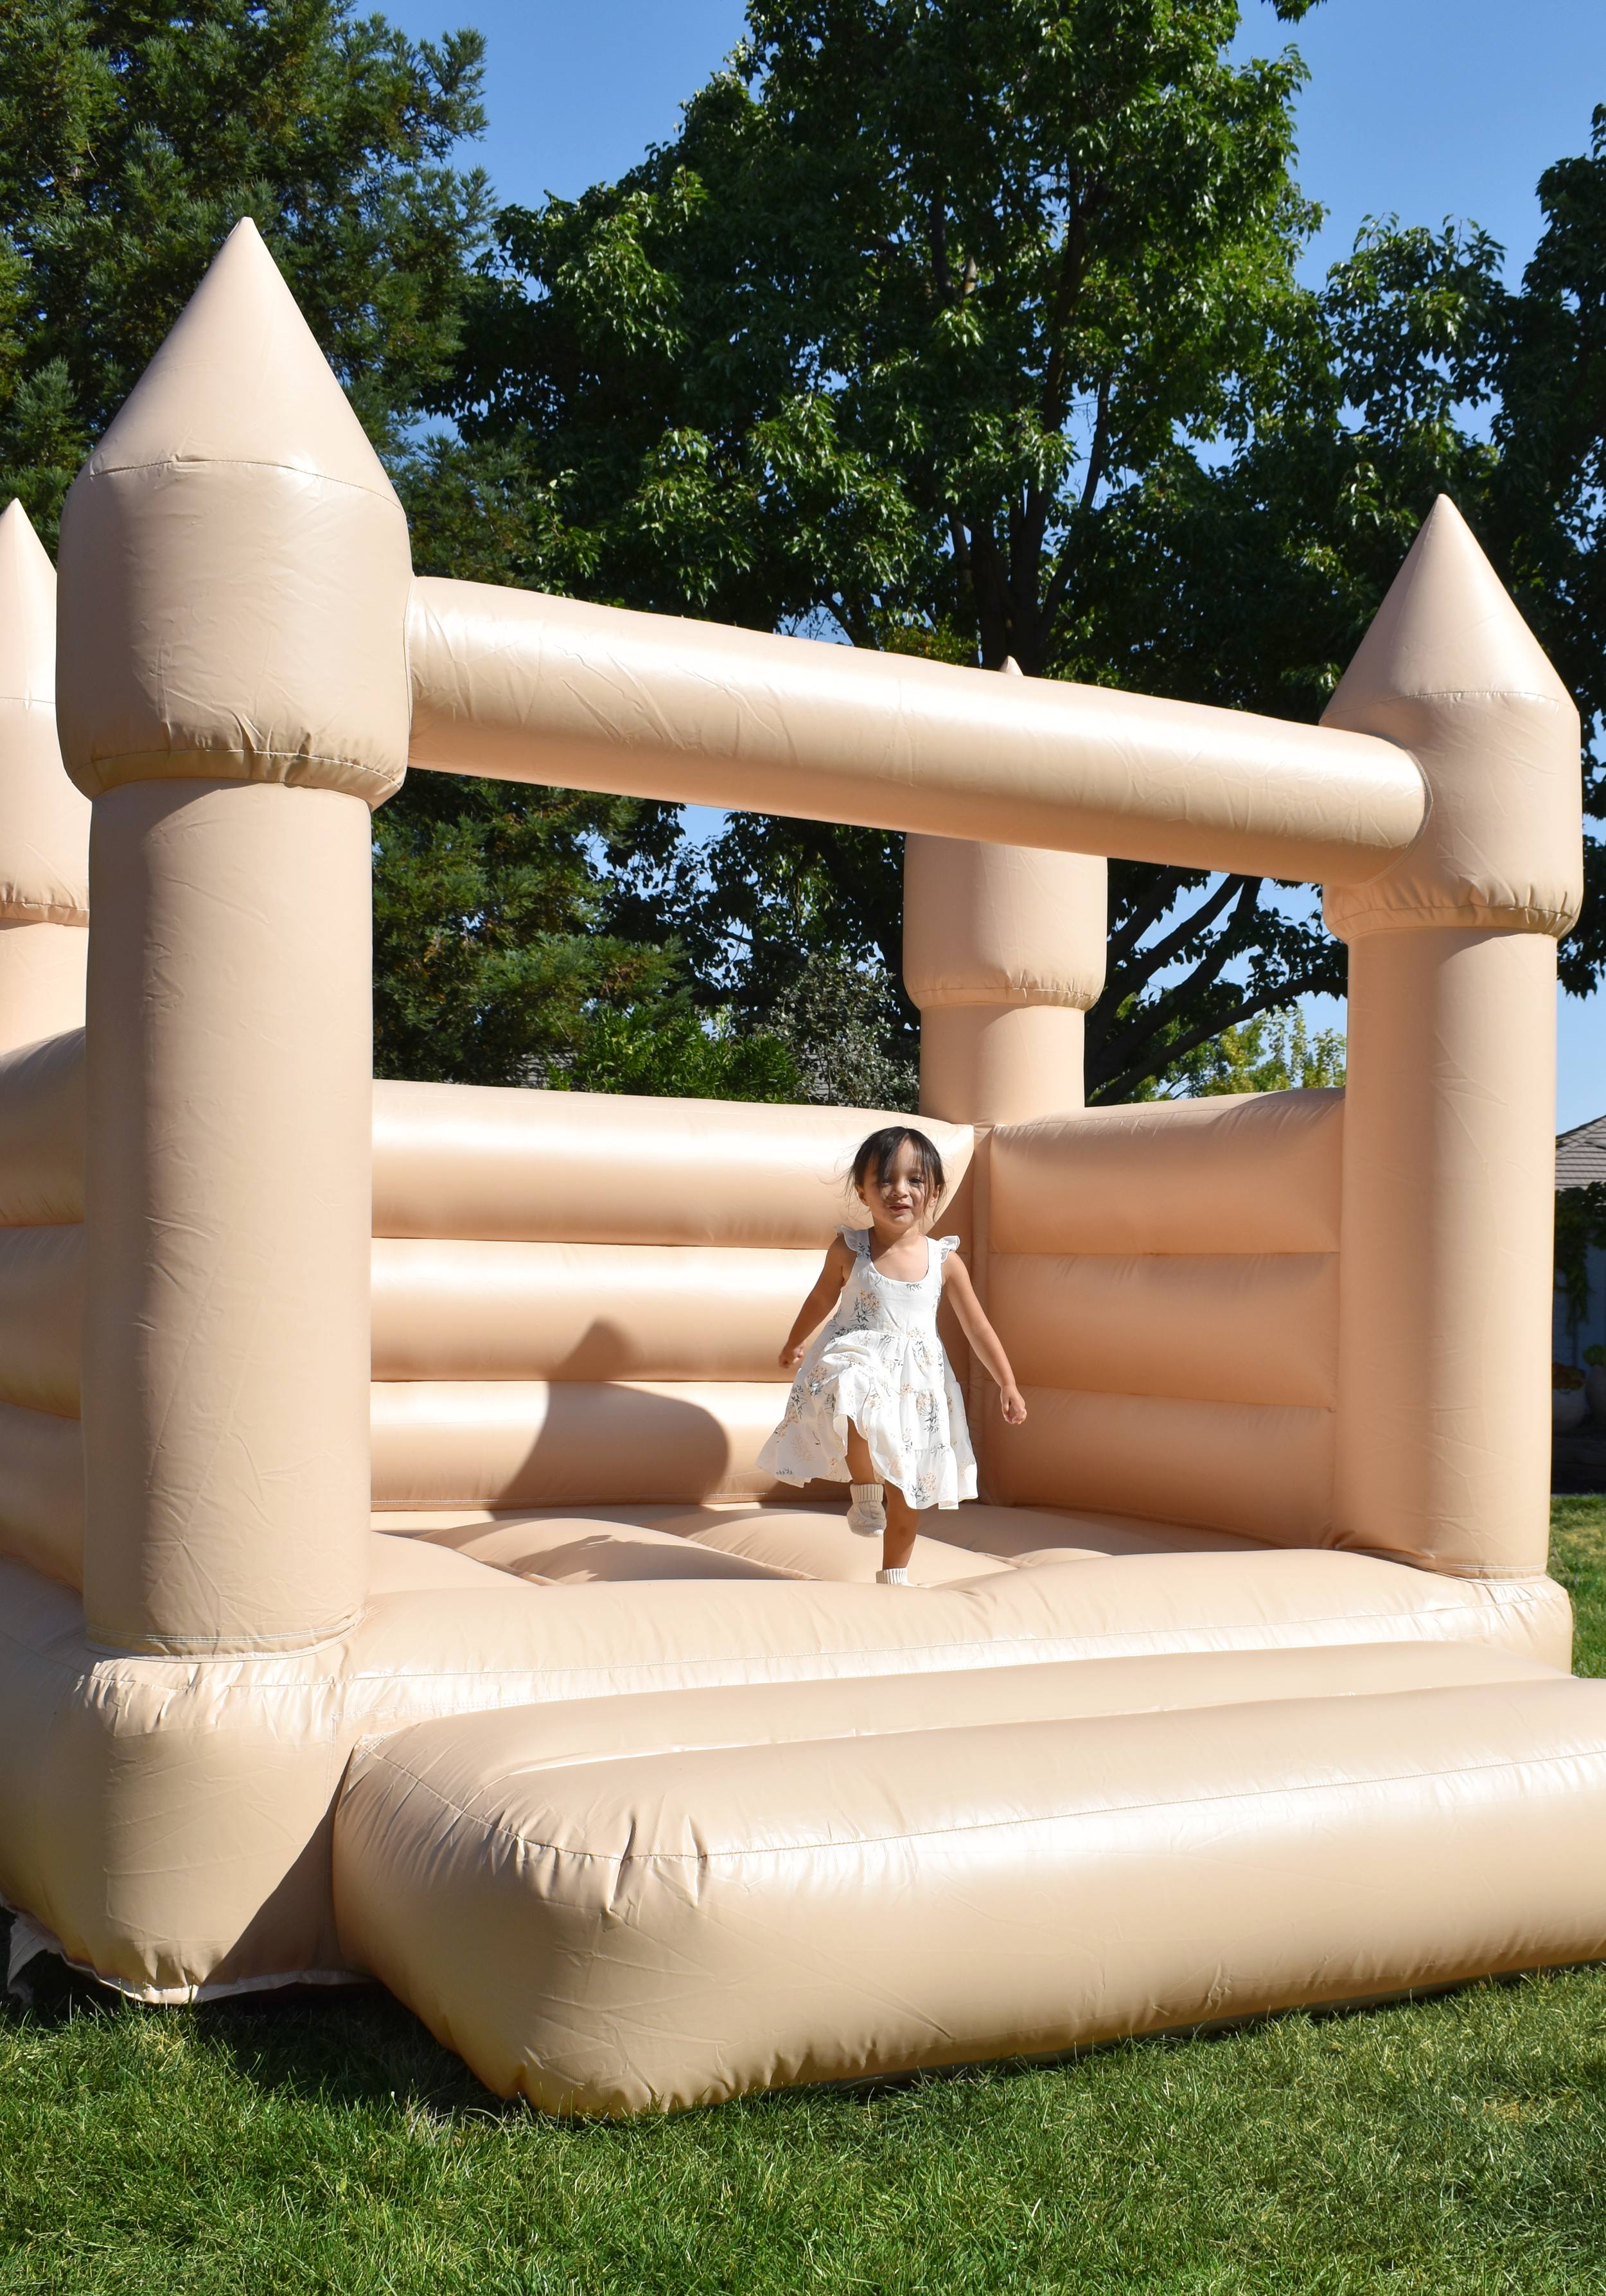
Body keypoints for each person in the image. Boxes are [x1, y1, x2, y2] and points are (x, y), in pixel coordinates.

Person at [757, 1126, 1027, 1584]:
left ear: (935, 1191)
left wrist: (1008, 1382)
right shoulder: (851, 1249)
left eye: (914, 1180)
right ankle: (865, 1489)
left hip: (916, 1386)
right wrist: (795, 1339)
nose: (899, 1191)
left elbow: (977, 1325)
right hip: (858, 1354)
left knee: (908, 1491)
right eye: (884, 1180)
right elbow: (821, 1299)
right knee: (853, 1391)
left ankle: (894, 1577)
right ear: (862, 1192)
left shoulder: (944, 1262)